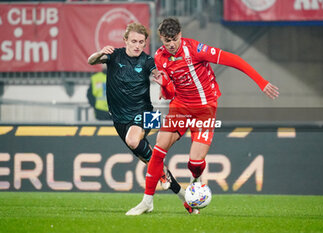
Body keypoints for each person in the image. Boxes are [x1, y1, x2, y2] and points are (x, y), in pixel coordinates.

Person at [126, 17, 280, 215]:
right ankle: (147, 201)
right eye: (167, 41)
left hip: (205, 109)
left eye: (174, 39)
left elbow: (235, 60)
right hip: (180, 107)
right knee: (158, 150)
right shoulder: (160, 57)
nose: (171, 44)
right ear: (161, 40)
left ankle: (195, 184)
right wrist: (164, 86)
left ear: (180, 35)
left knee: (195, 162)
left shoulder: (196, 49)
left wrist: (261, 82)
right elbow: (170, 91)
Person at [87, 22, 198, 214]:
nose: (137, 45)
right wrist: (99, 52)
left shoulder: (147, 60)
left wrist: (162, 79)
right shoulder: (114, 56)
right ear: (125, 41)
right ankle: (184, 197)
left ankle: (159, 187)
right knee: (153, 164)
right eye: (134, 41)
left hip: (147, 114)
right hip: (120, 120)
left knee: (133, 140)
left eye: (141, 42)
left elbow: (158, 72)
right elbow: (91, 61)